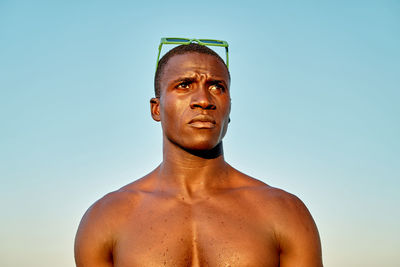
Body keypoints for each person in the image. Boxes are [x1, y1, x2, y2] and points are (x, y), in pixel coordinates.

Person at [74, 40, 323, 267]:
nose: (203, 100)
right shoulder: (106, 218)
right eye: (184, 85)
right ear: (156, 108)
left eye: (217, 87)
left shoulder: (284, 212)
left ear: (229, 109)